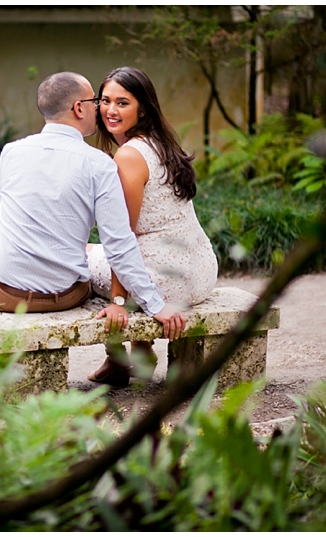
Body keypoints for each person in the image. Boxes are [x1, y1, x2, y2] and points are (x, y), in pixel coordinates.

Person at [0, 71, 186, 367]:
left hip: (5, 293)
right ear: (79, 108)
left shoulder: (11, 152)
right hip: (68, 294)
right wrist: (156, 306)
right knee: (85, 258)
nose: (101, 108)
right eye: (97, 101)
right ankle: (117, 356)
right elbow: (119, 243)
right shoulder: (100, 165)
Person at [86, 66, 218, 385]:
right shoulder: (162, 144)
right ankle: (141, 351)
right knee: (125, 253)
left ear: (142, 108)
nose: (110, 110)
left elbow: (123, 236)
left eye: (122, 102)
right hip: (200, 273)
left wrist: (118, 301)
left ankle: (117, 359)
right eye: (105, 101)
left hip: (167, 282)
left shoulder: (129, 156)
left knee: (81, 260)